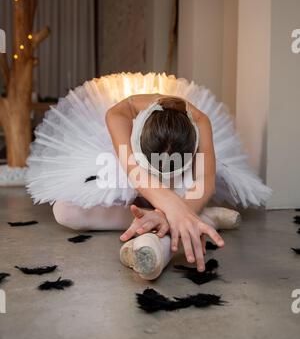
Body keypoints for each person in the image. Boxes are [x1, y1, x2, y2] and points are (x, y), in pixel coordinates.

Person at [26, 73, 272, 280]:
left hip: (181, 178)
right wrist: (172, 211)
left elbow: (204, 182)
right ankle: (202, 218)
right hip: (130, 168)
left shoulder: (201, 122)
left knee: (185, 194)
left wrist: (168, 211)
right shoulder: (118, 116)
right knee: (65, 212)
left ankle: (175, 222)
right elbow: (136, 175)